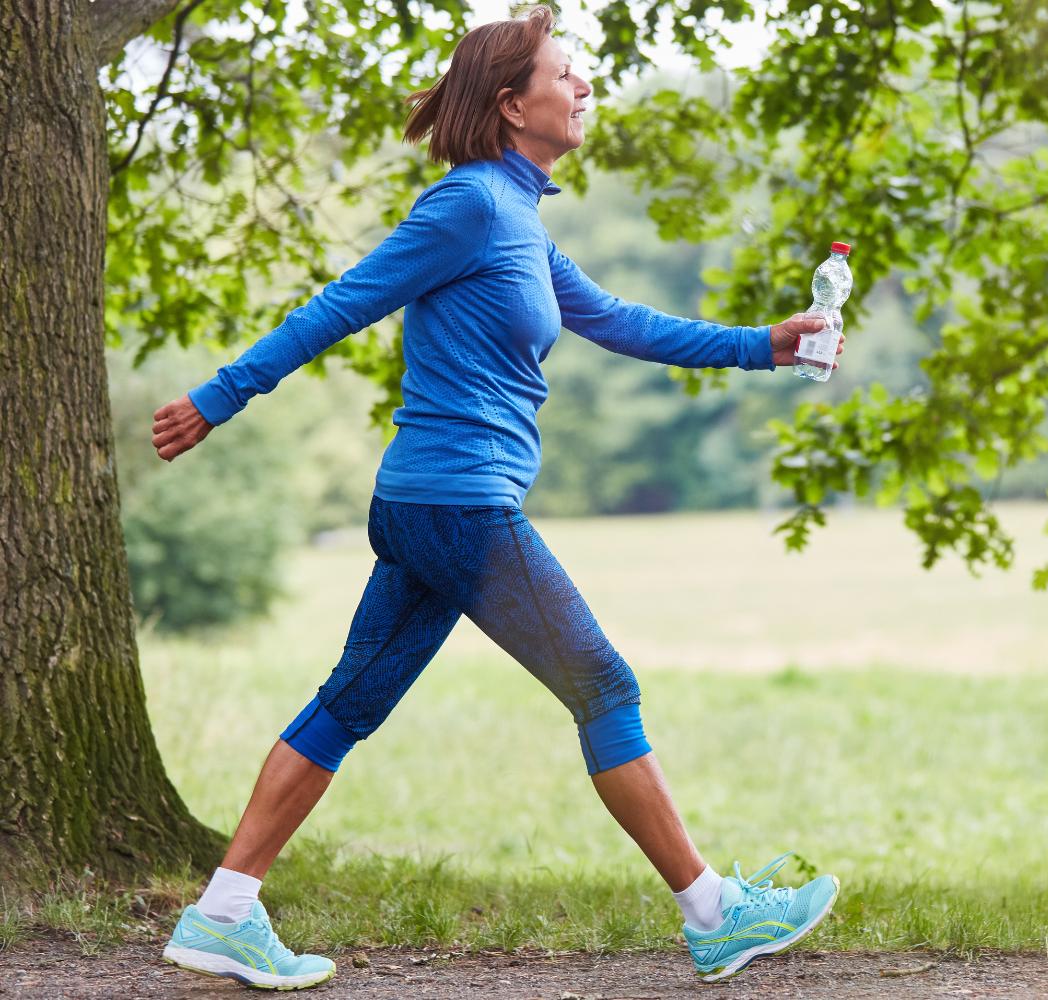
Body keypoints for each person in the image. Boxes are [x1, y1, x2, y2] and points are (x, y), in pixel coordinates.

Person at [148, 7, 842, 989]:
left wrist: (766, 345)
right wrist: (220, 397)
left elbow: (620, 321)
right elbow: (344, 301)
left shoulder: (518, 218)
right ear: (514, 105)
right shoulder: (468, 206)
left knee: (349, 703)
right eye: (567, 73)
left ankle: (222, 912)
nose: (584, 85)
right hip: (460, 506)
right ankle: (714, 912)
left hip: (435, 508)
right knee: (603, 686)